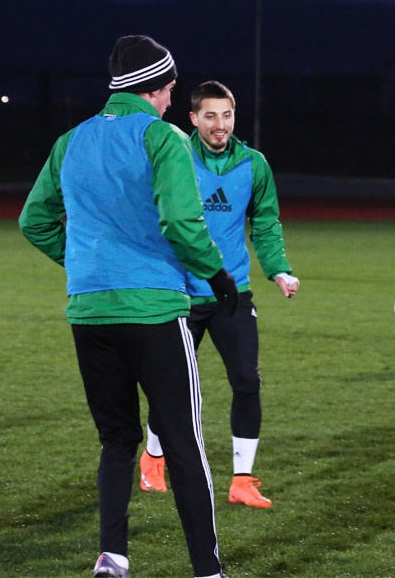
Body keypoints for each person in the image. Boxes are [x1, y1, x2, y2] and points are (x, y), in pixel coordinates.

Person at [19, 36, 236, 578]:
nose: (171, 100)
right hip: (154, 309)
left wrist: (85, 265)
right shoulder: (164, 136)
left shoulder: (70, 140)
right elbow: (181, 222)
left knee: (116, 440)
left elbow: (33, 221)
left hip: (90, 312)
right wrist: (216, 273)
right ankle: (207, 571)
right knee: (184, 442)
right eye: (170, 89)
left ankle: (112, 557)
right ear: (157, 87)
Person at [139, 81, 299, 510]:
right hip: (180, 295)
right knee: (172, 386)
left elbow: (265, 223)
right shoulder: (175, 155)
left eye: (226, 115)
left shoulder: (254, 164)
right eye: (210, 116)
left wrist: (279, 269)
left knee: (247, 382)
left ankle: (242, 480)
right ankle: (154, 457)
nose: (220, 124)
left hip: (233, 293)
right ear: (193, 119)